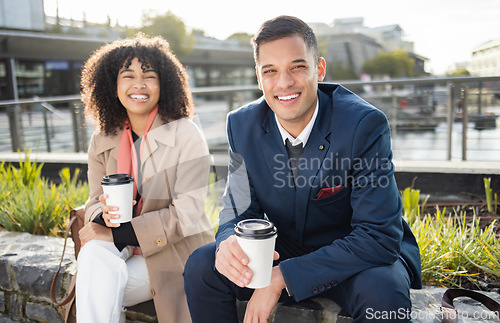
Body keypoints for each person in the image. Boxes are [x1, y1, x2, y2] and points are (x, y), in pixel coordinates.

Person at [184, 15, 422, 323]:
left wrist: (282, 276)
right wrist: (229, 239)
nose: (283, 83)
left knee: (383, 292)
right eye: (270, 71)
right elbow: (238, 208)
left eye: (297, 67)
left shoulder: (363, 124)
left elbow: (377, 236)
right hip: (288, 245)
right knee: (203, 266)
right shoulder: (241, 125)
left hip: (356, 256)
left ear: (319, 69)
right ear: (259, 77)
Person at [77, 33, 214, 323]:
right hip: (121, 247)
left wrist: (118, 233)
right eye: (128, 76)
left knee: (98, 281)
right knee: (94, 257)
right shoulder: (102, 139)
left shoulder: (186, 134)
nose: (139, 84)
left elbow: (186, 215)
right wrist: (103, 215)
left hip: (176, 250)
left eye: (149, 76)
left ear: (163, 84)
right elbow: (92, 202)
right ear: (111, 85)